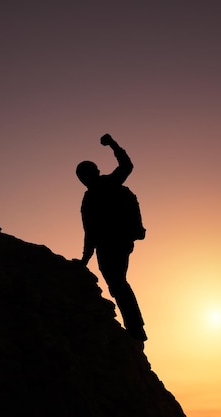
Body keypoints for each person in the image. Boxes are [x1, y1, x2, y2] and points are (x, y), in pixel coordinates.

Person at [74, 134, 147, 342]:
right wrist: (84, 261)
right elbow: (90, 231)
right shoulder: (90, 198)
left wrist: (113, 144)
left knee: (118, 283)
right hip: (111, 244)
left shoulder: (108, 184)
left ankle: (136, 328)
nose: (84, 180)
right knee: (117, 284)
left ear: (93, 173)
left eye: (85, 175)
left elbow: (127, 165)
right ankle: (135, 327)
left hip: (116, 242)